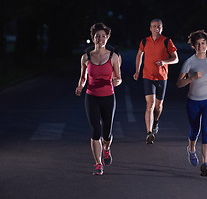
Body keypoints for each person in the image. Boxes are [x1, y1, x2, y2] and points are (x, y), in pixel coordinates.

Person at [75, 22, 122, 175]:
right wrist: (80, 86)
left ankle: (107, 148)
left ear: (107, 38)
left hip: (108, 96)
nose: (100, 39)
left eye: (103, 36)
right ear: (93, 38)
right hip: (91, 97)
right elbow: (82, 77)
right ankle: (98, 163)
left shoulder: (113, 56)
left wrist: (117, 81)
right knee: (96, 130)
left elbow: (119, 77)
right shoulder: (86, 57)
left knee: (107, 131)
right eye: (97, 36)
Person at [176, 30, 207, 177]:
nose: (201, 46)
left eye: (203, 43)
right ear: (194, 46)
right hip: (193, 101)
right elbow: (179, 83)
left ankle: (205, 164)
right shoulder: (189, 62)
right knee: (195, 130)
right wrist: (192, 78)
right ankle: (191, 149)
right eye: (198, 44)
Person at [133, 19, 178, 144]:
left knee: (158, 106)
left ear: (162, 28)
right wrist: (137, 71)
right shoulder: (144, 41)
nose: (156, 28)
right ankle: (149, 133)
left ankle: (156, 122)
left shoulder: (167, 41)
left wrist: (164, 62)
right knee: (150, 104)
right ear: (150, 28)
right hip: (147, 76)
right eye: (154, 26)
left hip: (162, 77)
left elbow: (176, 59)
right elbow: (139, 56)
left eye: (158, 26)